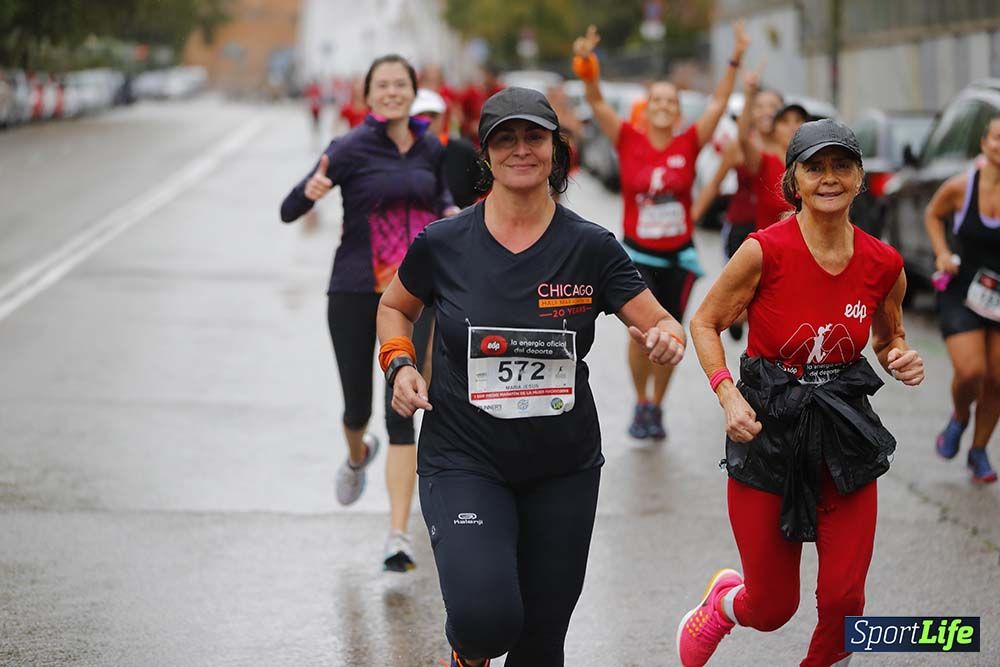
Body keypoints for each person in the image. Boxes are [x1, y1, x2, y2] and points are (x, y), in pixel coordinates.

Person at [376, 87, 685, 667]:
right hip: (464, 457)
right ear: (486, 153)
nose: (521, 149)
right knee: (485, 622)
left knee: (541, 646)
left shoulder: (590, 247)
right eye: (506, 138)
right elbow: (395, 308)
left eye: (534, 137)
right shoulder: (443, 244)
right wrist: (400, 363)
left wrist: (666, 336)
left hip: (561, 468)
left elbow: (660, 320)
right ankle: (467, 655)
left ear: (555, 149)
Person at [680, 119, 925, 667]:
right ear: (794, 180)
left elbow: (889, 337)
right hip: (770, 432)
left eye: (843, 165)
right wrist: (728, 395)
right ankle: (724, 604)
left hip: (845, 434)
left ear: (861, 177)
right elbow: (705, 321)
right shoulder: (763, 251)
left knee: (844, 603)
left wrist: (898, 357)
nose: (830, 178)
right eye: (816, 167)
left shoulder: (884, 264)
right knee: (772, 608)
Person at [280, 54, 459, 572]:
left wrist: (453, 216)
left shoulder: (430, 146)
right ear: (368, 94)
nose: (391, 93)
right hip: (356, 290)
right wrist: (309, 193)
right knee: (357, 408)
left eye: (399, 84)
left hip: (412, 297)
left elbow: (440, 199)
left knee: (401, 407)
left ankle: (398, 536)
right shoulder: (349, 148)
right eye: (381, 86)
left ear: (412, 91)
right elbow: (288, 209)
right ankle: (357, 453)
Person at [572, 21, 749, 440]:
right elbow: (596, 102)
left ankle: (657, 407)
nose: (666, 106)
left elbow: (720, 101)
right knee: (642, 335)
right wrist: (586, 62)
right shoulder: (629, 139)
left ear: (677, 109)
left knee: (672, 336)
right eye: (658, 100)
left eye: (672, 100)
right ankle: (640, 401)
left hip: (678, 258)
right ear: (647, 106)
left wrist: (735, 57)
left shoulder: (688, 143)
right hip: (636, 257)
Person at [923, 112, 1000, 484]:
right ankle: (959, 416)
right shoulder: (961, 187)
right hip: (963, 290)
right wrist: (940, 252)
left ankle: (979, 451)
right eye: (997, 138)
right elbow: (932, 214)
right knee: (972, 372)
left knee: (998, 380)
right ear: (984, 144)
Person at [691, 78, 784, 340]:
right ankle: (739, 313)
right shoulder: (740, 146)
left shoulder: (788, 148)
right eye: (760, 106)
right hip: (740, 227)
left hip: (775, 228)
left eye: (773, 106)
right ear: (750, 112)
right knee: (741, 289)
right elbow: (714, 184)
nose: (766, 111)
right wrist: (693, 218)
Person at [737, 71, 809, 232]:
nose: (792, 126)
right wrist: (749, 95)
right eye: (785, 121)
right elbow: (742, 138)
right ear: (774, 129)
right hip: (771, 248)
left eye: (798, 120)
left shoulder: (812, 163)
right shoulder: (764, 160)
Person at [411, 88, 480, 209]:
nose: (427, 121)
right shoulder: (400, 153)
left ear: (443, 117)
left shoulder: (464, 151)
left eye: (433, 115)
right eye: (420, 116)